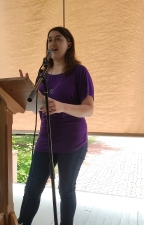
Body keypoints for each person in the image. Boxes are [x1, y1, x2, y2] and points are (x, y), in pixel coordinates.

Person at [18, 26, 94, 225]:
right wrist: (24, 88)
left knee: (65, 189)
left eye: (58, 39)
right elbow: (39, 106)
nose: (52, 43)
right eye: (49, 39)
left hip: (73, 140)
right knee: (33, 187)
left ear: (68, 45)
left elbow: (88, 109)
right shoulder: (43, 73)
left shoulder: (79, 72)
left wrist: (61, 107)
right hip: (46, 137)